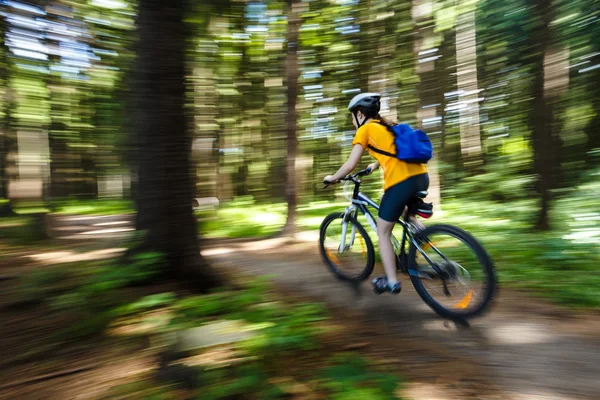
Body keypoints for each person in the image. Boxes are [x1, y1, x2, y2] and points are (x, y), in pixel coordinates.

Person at [323, 93, 430, 294]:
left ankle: (391, 281)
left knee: (383, 231)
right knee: (397, 207)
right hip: (421, 176)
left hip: (401, 183)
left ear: (360, 114)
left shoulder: (365, 130)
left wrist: (334, 177)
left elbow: (350, 164)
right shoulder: (387, 126)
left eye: (352, 117)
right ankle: (423, 235)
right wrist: (373, 166)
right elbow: (393, 152)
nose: (353, 121)